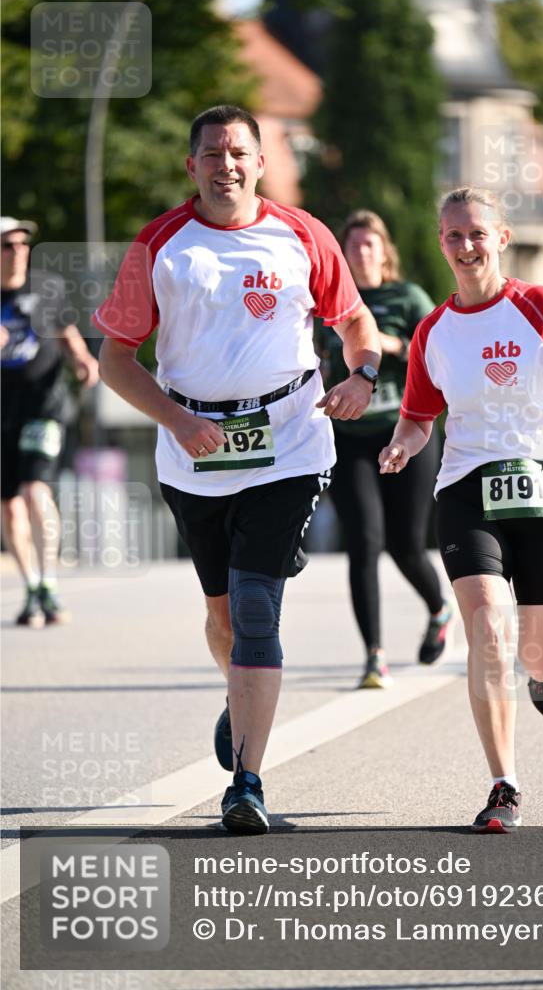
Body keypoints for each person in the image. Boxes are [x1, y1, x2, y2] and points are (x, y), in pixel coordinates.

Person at [95, 105, 381, 836]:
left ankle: (246, 783)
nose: (226, 164)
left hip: (288, 438)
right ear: (191, 166)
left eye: (239, 152)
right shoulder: (161, 244)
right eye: (213, 153)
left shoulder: (303, 234)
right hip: (192, 449)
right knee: (222, 615)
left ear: (261, 163)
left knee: (256, 607)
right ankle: (240, 692)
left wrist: (363, 376)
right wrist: (179, 420)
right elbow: (116, 360)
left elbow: (354, 324)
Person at [379, 186, 543, 833]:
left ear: (501, 238)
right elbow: (419, 417)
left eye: (477, 233)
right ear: (440, 243)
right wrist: (400, 441)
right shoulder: (432, 332)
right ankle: (503, 783)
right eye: (453, 235)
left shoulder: (542, 309)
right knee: (488, 631)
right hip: (467, 486)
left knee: (539, 653)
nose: (465, 245)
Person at [318, 210, 452, 688]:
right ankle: (374, 656)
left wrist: (389, 345)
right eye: (353, 246)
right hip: (350, 439)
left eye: (370, 245)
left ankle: (439, 609)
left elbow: (440, 351)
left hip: (406, 433)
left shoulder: (408, 297)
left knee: (405, 544)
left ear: (384, 251)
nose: (362, 253)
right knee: (363, 543)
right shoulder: (332, 303)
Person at [1, 216, 99, 627]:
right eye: (8, 245)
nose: (19, 251)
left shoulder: (47, 287)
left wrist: (82, 360)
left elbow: (67, 333)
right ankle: (33, 586)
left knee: (34, 489)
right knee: (8, 507)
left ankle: (51, 584)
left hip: (45, 404)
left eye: (23, 244)